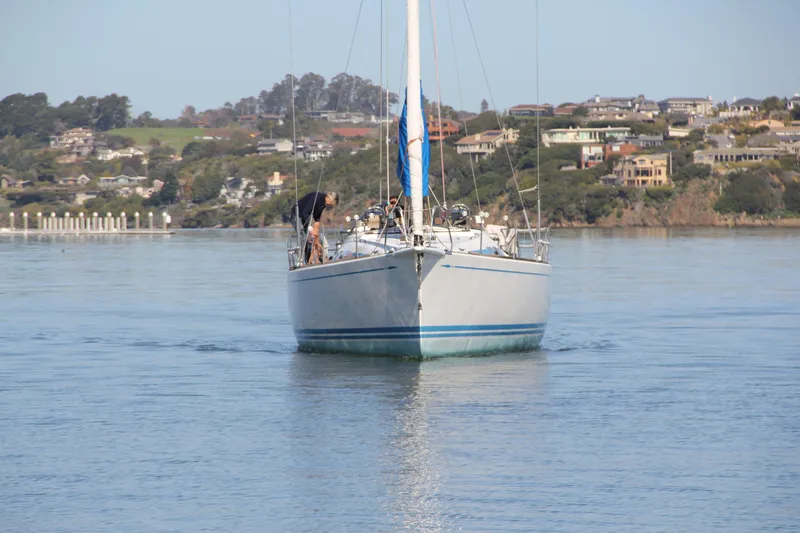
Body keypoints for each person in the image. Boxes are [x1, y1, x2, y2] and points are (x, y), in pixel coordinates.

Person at [292, 191, 339, 264]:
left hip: (306, 216)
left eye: (331, 205)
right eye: (330, 202)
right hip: (298, 214)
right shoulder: (316, 198)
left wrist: (316, 229)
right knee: (305, 237)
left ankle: (320, 258)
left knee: (315, 237)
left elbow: (317, 217)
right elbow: (305, 213)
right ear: (328, 197)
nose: (329, 205)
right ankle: (305, 262)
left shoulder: (324, 203)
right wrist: (310, 229)